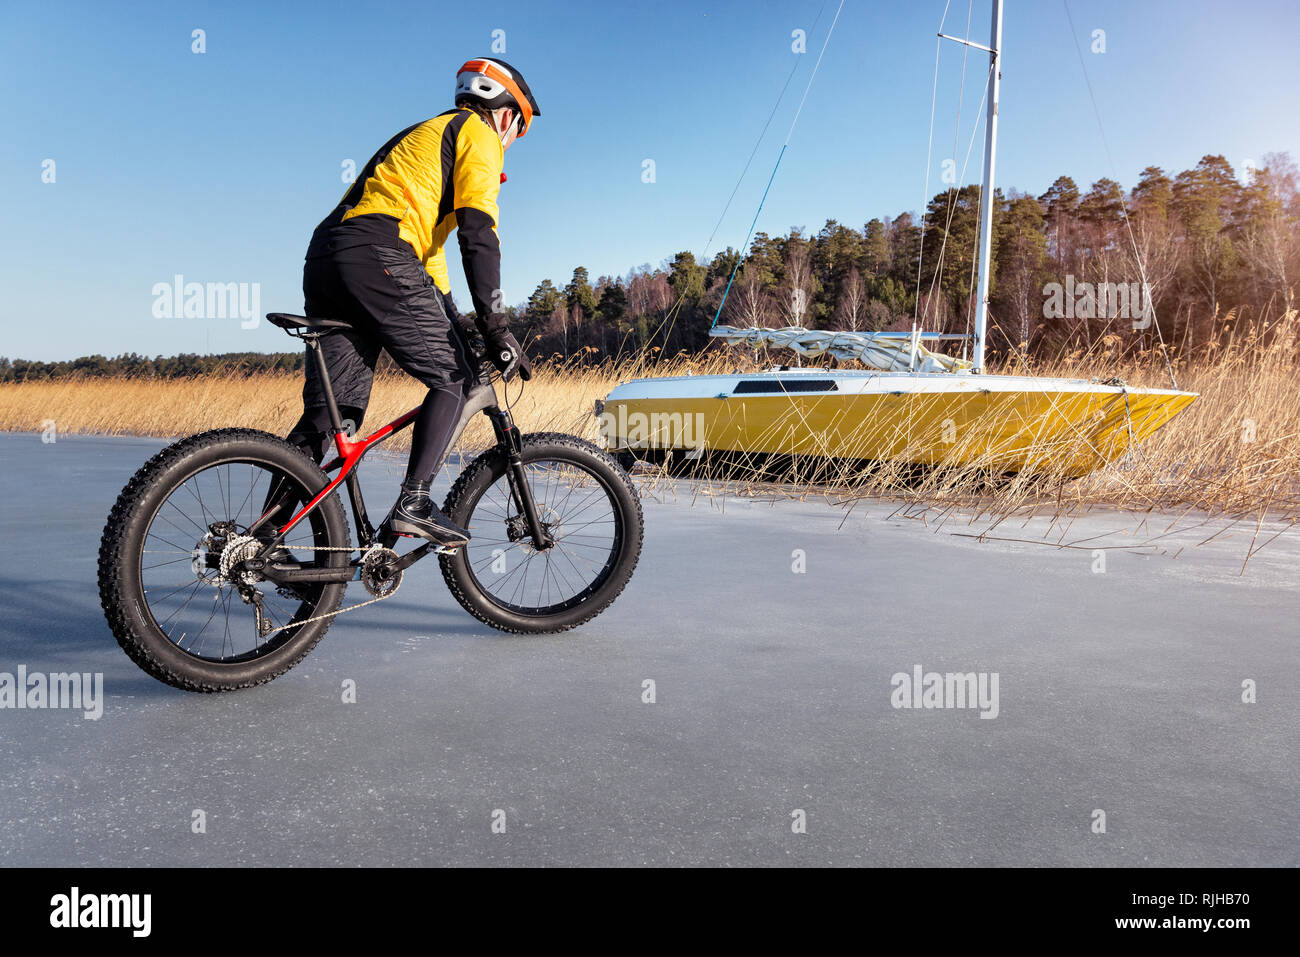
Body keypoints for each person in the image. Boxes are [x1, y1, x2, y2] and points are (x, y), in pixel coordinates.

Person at [283, 57, 538, 547]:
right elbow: (479, 235)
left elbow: (429, 262)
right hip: (377, 251)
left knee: (331, 417)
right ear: (506, 113)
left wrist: (460, 323)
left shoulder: (426, 137)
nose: (511, 140)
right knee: (456, 378)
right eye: (518, 129)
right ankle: (414, 501)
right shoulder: (478, 135)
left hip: (331, 255)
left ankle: (261, 538)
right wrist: (497, 326)